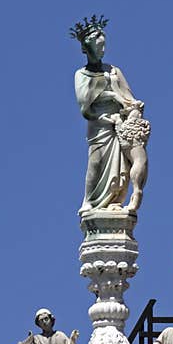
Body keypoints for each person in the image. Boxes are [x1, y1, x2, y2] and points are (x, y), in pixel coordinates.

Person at [71, 15, 149, 215]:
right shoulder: (81, 74)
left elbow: (129, 97)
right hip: (99, 123)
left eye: (103, 46)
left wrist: (130, 108)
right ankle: (89, 200)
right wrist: (112, 95)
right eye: (97, 45)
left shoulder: (114, 71)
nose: (101, 49)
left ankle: (116, 198)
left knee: (121, 165)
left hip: (119, 125)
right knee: (96, 161)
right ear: (85, 49)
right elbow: (84, 101)